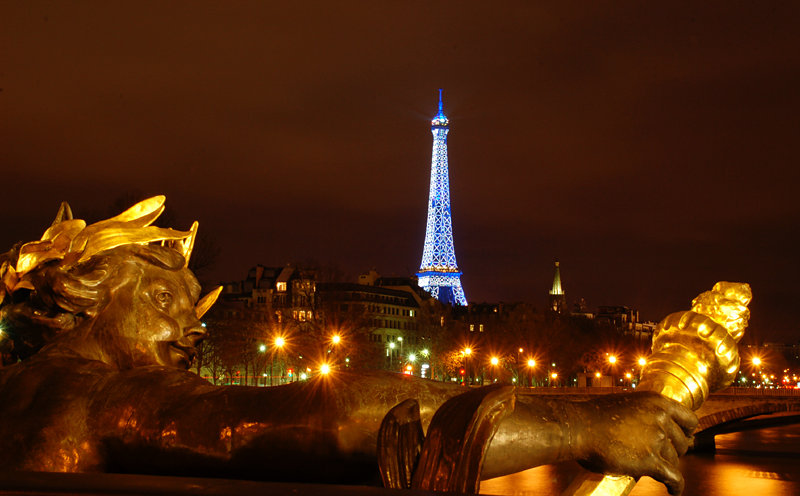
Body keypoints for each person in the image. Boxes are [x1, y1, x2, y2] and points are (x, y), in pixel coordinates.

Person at [0, 198, 696, 494]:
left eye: (189, 317)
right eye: (160, 302)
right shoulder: (100, 394)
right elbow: (328, 420)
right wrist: (586, 422)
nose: (183, 334)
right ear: (84, 293)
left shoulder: (26, 390)